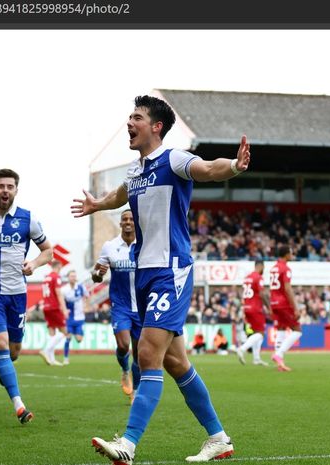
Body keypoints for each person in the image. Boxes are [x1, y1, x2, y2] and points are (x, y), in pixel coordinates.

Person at [72, 95, 250, 463]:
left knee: (148, 354)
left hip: (172, 271)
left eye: (136, 117)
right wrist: (95, 205)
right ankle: (218, 438)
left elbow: (208, 168)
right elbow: (120, 195)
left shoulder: (174, 159)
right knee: (176, 363)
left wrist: (233, 165)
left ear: (156, 126)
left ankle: (129, 444)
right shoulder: (135, 171)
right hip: (145, 274)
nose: (129, 123)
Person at [0, 168, 54, 425]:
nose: (5, 190)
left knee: (13, 351)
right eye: (1, 186)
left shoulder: (28, 219)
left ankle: (5, 371)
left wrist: (34, 264)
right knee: (1, 345)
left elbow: (48, 251)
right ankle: (19, 405)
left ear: (16, 190)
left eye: (10, 187)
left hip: (17, 294)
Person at [92, 209, 141, 402]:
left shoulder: (144, 245)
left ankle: (136, 392)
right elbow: (96, 276)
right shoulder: (109, 246)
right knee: (123, 345)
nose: (128, 222)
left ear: (136, 222)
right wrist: (98, 273)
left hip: (142, 306)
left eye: (131, 219)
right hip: (121, 305)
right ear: (120, 223)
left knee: (139, 354)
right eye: (124, 219)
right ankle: (124, 368)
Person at [269, 246, 302, 372]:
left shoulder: (273, 268)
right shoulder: (285, 268)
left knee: (281, 330)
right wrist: (296, 308)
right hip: (283, 303)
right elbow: (288, 289)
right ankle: (279, 354)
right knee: (297, 330)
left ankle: (280, 364)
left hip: (274, 302)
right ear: (286, 255)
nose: (292, 255)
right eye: (291, 253)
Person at [236, 260, 271, 366]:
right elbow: (261, 293)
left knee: (257, 332)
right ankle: (242, 349)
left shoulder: (247, 278)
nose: (263, 271)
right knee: (260, 334)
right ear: (260, 266)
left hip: (246, 307)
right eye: (263, 268)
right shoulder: (258, 277)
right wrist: (268, 307)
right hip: (255, 308)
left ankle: (256, 358)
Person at [39, 260, 68, 366]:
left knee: (52, 333)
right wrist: (64, 309)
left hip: (46, 307)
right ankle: (45, 350)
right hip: (54, 307)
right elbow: (58, 293)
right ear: (59, 266)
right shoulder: (56, 277)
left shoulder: (46, 277)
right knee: (65, 332)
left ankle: (51, 359)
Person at [62, 269, 89, 365]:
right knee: (68, 337)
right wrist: (64, 310)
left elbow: (87, 296)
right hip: (69, 318)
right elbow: (61, 301)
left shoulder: (81, 287)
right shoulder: (64, 289)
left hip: (80, 317)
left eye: (74, 276)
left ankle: (75, 332)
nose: (73, 278)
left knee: (79, 340)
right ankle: (65, 358)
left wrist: (86, 306)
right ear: (68, 278)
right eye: (71, 276)